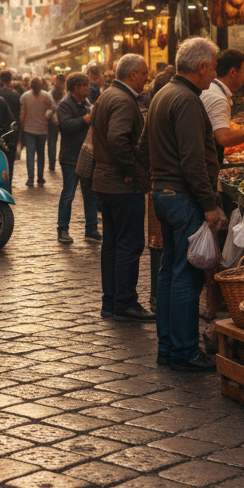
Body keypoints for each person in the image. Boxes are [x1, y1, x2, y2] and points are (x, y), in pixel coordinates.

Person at [142, 37, 226, 372]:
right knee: (188, 276)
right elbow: (193, 161)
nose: (214, 73)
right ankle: (185, 351)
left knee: (169, 273)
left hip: (163, 194)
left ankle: (168, 347)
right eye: (213, 66)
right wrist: (208, 204)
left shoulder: (162, 94)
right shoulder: (189, 101)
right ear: (202, 66)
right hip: (182, 198)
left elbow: (141, 149)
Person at [91, 53, 152, 322]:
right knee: (129, 244)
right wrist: (135, 172)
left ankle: (111, 302)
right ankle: (125, 302)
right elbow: (117, 140)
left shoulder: (107, 95)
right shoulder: (124, 100)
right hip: (121, 185)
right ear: (132, 75)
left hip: (106, 181)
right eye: (144, 74)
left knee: (113, 244)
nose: (147, 79)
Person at [56, 72, 99, 244]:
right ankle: (62, 229)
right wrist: (84, 120)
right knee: (68, 194)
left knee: (90, 194)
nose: (88, 89)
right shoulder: (65, 104)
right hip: (70, 157)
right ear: (76, 88)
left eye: (88, 85)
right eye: (85, 86)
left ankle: (91, 229)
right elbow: (66, 125)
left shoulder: (87, 103)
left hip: (87, 156)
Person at [20, 77, 52, 187]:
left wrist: (21, 127)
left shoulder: (25, 96)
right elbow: (54, 108)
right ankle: (40, 177)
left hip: (29, 129)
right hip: (42, 130)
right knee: (41, 154)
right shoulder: (47, 96)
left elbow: (22, 114)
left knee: (30, 154)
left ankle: (30, 179)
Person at [46, 73, 65, 172]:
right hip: (55, 121)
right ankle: (52, 164)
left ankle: (54, 163)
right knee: (53, 143)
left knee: (55, 143)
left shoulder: (52, 93)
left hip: (61, 121)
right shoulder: (52, 94)